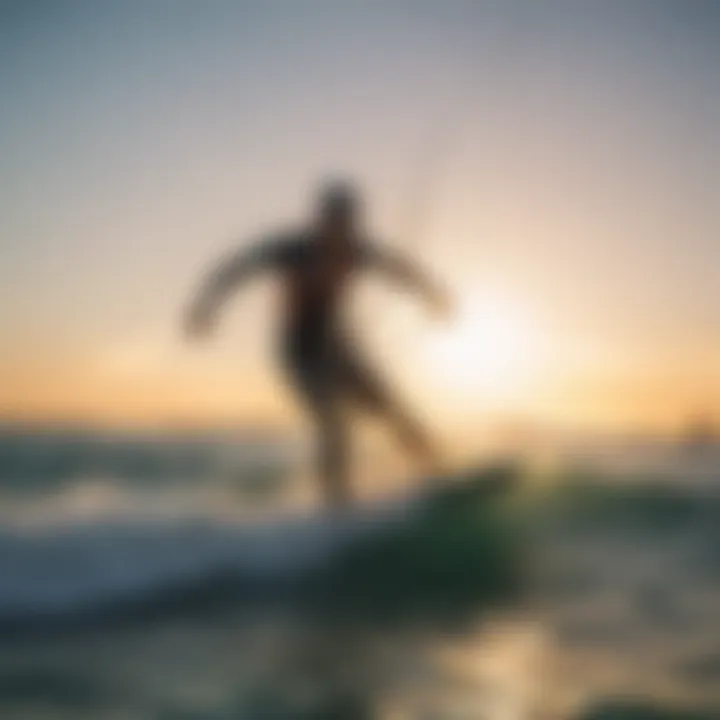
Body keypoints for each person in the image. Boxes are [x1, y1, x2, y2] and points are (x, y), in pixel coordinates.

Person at [184, 180, 452, 507]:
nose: (340, 228)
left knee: (394, 409)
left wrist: (432, 295)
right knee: (334, 421)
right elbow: (238, 267)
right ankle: (335, 506)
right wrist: (205, 306)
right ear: (321, 219)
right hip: (300, 352)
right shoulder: (292, 249)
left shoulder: (358, 250)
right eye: (334, 219)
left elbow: (398, 268)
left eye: (347, 221)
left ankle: (440, 474)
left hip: (340, 348)